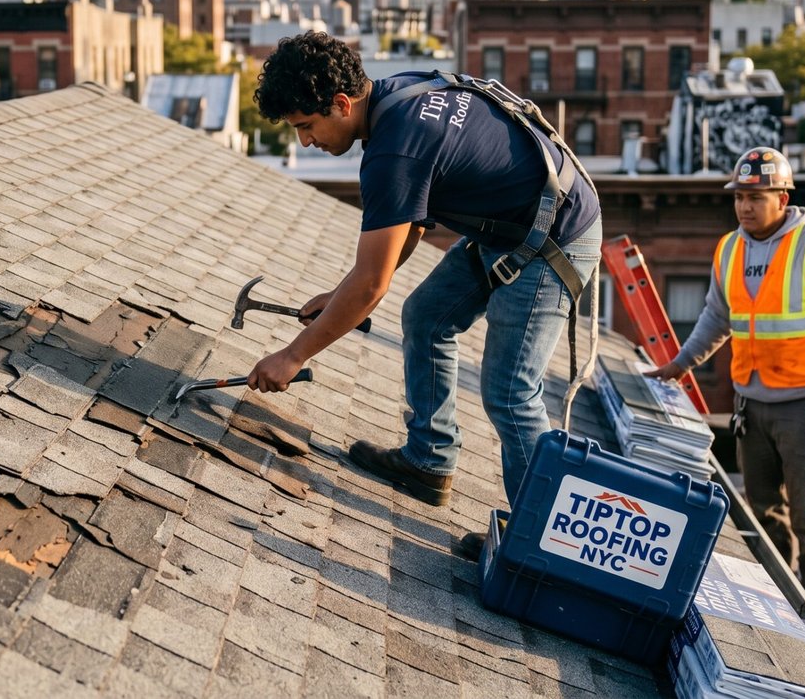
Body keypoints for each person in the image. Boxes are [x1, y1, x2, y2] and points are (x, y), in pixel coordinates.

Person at [245, 32, 603, 557]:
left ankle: (539, 540)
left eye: (306, 126)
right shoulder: (397, 93)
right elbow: (406, 230)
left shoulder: (394, 149)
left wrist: (292, 356)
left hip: (555, 239)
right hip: (514, 222)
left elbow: (372, 285)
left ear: (342, 104)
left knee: (509, 390)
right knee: (428, 315)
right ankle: (430, 460)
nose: (305, 142)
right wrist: (339, 292)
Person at [645, 146, 805, 636]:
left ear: (782, 197)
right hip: (752, 406)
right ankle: (780, 610)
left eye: (757, 196)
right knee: (765, 514)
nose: (746, 206)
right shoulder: (730, 248)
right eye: (740, 197)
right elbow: (717, 317)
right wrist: (679, 365)